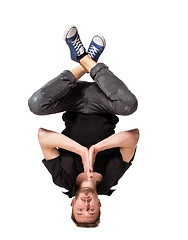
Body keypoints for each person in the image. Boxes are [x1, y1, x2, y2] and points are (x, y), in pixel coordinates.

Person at [28, 25, 139, 228]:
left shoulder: (62, 179)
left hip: (74, 100)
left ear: (72, 203)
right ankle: (89, 62)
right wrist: (96, 149)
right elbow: (132, 136)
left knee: (36, 105)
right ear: (99, 204)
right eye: (91, 210)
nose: (85, 205)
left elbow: (43, 136)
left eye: (80, 210)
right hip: (105, 101)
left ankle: (82, 62)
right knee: (129, 105)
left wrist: (80, 150)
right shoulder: (111, 179)